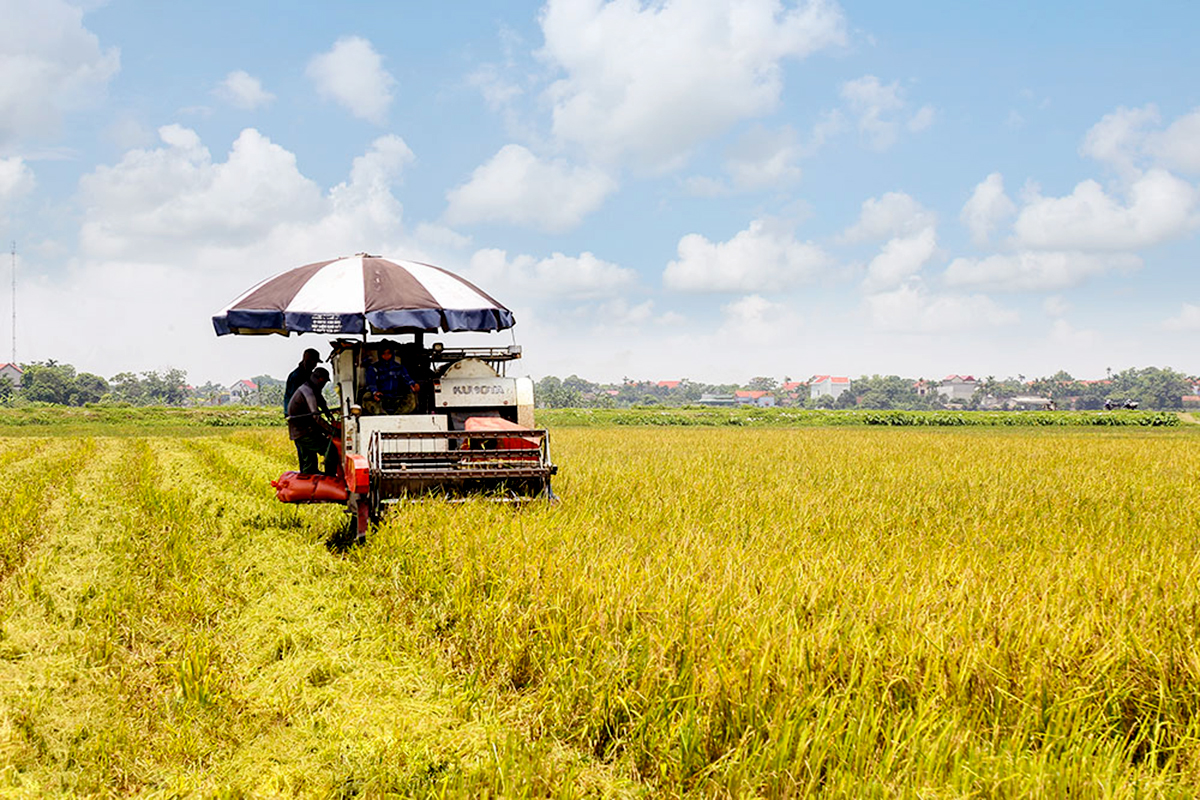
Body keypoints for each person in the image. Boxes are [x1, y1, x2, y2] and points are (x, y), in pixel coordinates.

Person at [287, 367, 338, 476]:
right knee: (331, 450)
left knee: (309, 466)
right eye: (324, 382)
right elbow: (316, 417)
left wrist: (328, 414)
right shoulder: (308, 392)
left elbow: (321, 402)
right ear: (320, 379)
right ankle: (331, 478)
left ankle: (309, 487)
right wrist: (332, 430)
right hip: (304, 433)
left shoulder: (309, 387)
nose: (323, 385)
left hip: (300, 432)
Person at [364, 346, 420, 414]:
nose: (386, 356)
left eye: (388, 353)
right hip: (381, 399)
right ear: (380, 355)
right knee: (367, 397)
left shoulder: (399, 368)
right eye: (383, 353)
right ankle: (382, 415)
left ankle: (397, 416)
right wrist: (375, 392)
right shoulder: (373, 368)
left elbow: (407, 379)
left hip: (396, 397)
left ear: (392, 354)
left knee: (411, 397)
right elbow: (371, 383)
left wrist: (414, 385)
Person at [284, 348, 321, 414]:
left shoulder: (309, 376)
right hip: (294, 413)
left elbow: (317, 395)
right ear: (309, 361)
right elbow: (296, 398)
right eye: (315, 362)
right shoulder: (297, 376)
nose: (315, 366)